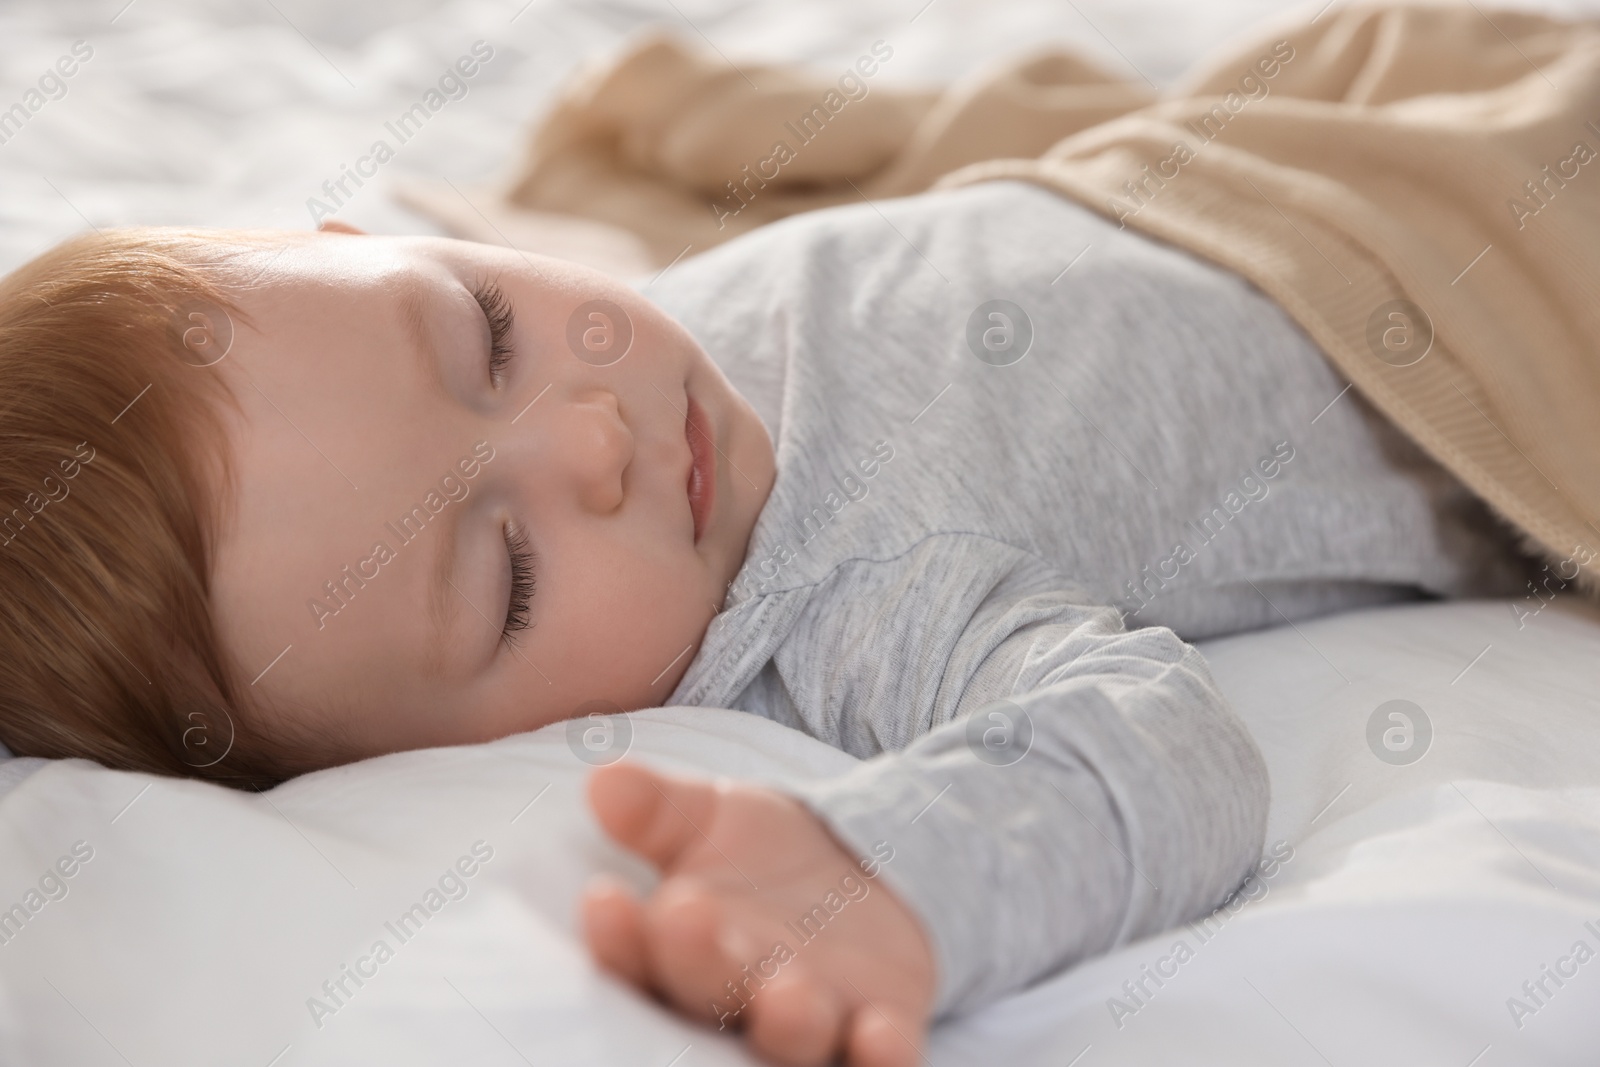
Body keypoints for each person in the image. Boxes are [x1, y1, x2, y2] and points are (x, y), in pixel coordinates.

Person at [0, 176, 1534, 1066]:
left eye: (487, 329)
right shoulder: (859, 593)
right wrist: (898, 868)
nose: (591, 435)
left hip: (1222, 171)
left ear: (352, 240)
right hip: (1460, 279)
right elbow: (1160, 747)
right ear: (421, 752)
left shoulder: (634, 365)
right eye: (510, 576)